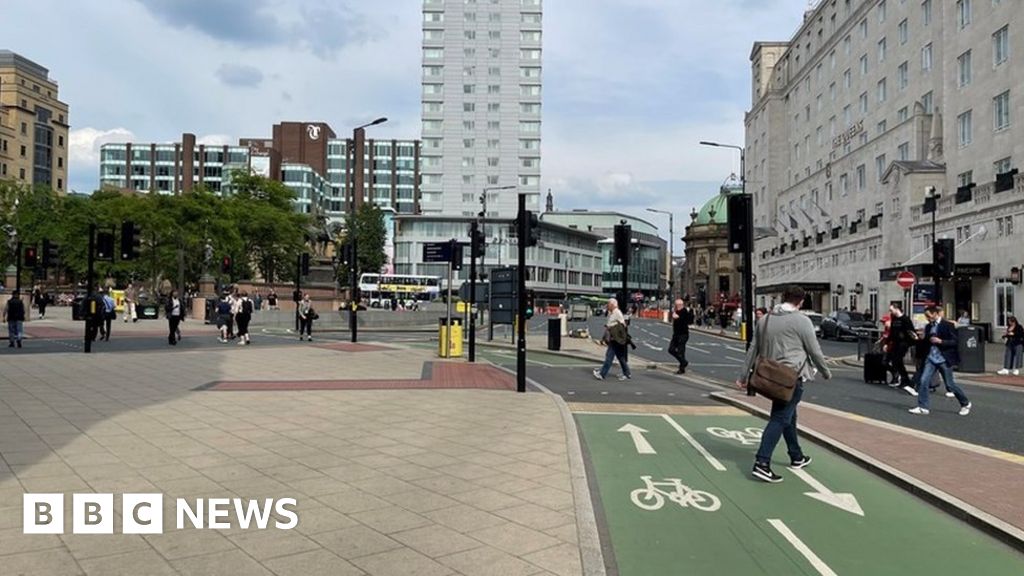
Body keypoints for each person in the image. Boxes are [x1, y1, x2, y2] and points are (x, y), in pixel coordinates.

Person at [738, 285, 831, 483]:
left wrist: (743, 375)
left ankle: (796, 456)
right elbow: (814, 351)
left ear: (783, 298)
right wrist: (825, 371)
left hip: (769, 376)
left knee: (789, 416)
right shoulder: (802, 321)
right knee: (780, 418)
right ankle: (762, 463)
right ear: (801, 301)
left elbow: (752, 349)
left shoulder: (766, 319)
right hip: (790, 378)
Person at [909, 306, 971, 415]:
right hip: (931, 358)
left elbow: (955, 342)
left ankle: (965, 403)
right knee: (923, 381)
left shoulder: (948, 325)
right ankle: (923, 406)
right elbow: (926, 342)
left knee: (950, 385)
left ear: (936, 314)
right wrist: (918, 339)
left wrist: (941, 341)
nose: (928, 318)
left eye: (929, 316)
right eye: (926, 317)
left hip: (944, 358)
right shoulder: (928, 327)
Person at [593, 298, 631, 381]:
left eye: (608, 304)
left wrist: (618, 335)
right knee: (620, 356)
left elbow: (622, 325)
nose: (607, 305)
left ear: (613, 305)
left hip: (615, 338)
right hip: (614, 337)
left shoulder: (617, 312)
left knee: (609, 356)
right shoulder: (612, 313)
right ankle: (627, 373)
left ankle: (602, 374)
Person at [885, 303, 916, 391]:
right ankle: (903, 379)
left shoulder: (905, 319)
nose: (890, 312)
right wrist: (887, 343)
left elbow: (911, 331)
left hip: (903, 343)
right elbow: (891, 332)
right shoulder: (894, 319)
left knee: (898, 360)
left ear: (897, 309)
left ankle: (905, 380)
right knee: (894, 362)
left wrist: (910, 343)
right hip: (895, 343)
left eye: (891, 310)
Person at [668, 298, 694, 374]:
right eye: (677, 305)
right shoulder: (676, 312)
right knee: (671, 349)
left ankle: (681, 368)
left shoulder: (684, 311)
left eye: (679, 305)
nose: (678, 306)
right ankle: (683, 362)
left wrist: (678, 318)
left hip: (683, 334)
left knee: (681, 351)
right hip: (676, 335)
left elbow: (688, 321)